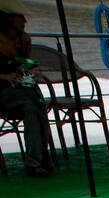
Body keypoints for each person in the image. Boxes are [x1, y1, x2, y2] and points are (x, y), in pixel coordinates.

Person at [0, 4, 53, 176]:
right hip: (2, 90)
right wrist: (5, 77)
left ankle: (38, 159)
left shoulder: (24, 39)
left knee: (36, 104)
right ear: (8, 20)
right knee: (33, 102)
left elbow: (25, 63)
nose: (24, 21)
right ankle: (37, 160)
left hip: (20, 88)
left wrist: (26, 72)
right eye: (19, 17)